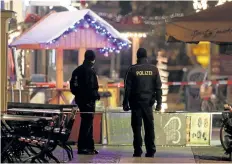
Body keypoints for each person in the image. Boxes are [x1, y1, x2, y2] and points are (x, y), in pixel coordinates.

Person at [123, 48, 162, 157]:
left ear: (137, 56)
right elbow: (158, 88)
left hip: (135, 103)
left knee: (137, 128)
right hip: (148, 104)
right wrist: (159, 103)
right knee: (149, 127)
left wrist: (125, 103)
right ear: (146, 56)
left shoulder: (132, 69)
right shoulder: (154, 69)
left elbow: (127, 88)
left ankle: (137, 150)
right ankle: (150, 150)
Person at [70, 50, 100, 155]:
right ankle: (83, 147)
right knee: (87, 124)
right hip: (89, 101)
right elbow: (92, 88)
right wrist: (95, 97)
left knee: (87, 123)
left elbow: (73, 87)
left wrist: (79, 95)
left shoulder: (77, 70)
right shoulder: (90, 71)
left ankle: (89, 147)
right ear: (93, 59)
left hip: (80, 100)